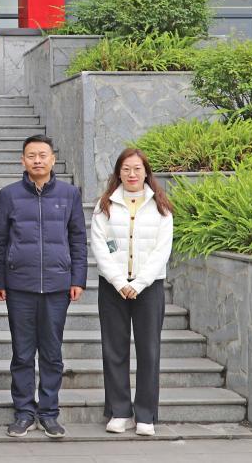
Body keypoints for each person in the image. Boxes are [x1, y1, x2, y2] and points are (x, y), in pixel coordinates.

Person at [0, 134, 87, 439]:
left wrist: (77, 278)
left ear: (52, 159)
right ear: (23, 160)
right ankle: (23, 412)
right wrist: (0, 280)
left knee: (51, 353)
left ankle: (48, 413)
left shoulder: (69, 194)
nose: (37, 160)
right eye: (31, 155)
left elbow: (78, 238)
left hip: (57, 286)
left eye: (42, 155)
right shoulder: (8, 195)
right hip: (19, 286)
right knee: (22, 353)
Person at [90, 148, 174, 437]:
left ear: (146, 172)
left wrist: (138, 284)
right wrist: (119, 282)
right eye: (126, 169)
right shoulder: (105, 205)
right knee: (114, 349)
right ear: (118, 173)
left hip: (148, 288)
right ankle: (120, 411)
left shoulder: (160, 207)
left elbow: (162, 250)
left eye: (137, 168)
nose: (132, 174)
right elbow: (100, 246)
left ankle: (146, 414)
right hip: (112, 287)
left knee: (149, 351)